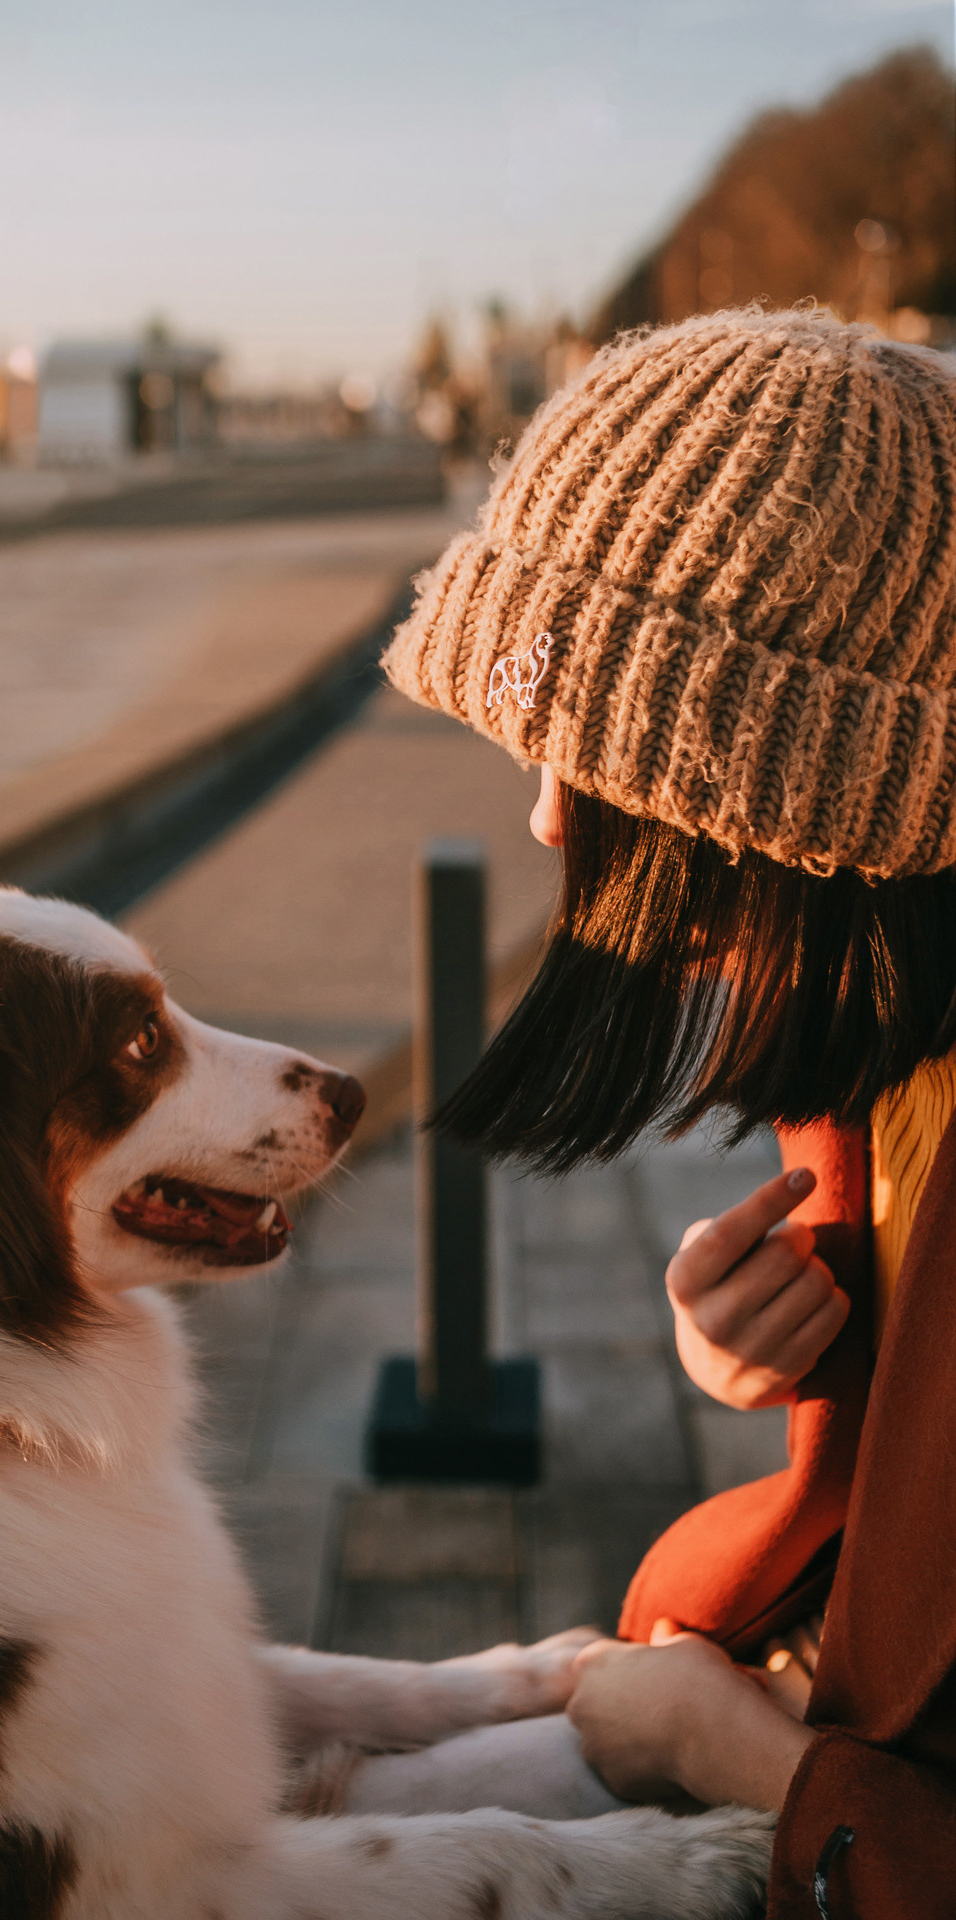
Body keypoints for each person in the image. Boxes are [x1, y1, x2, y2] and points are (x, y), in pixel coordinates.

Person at [376, 308, 956, 1916]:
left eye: (610, 757)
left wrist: (749, 1762)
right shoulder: (886, 1052)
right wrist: (820, 1348)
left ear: (796, 793)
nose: (551, 810)